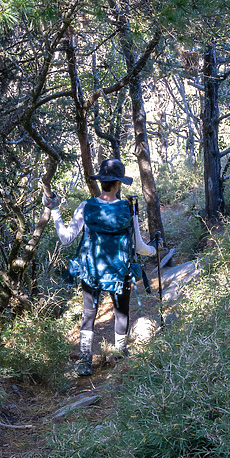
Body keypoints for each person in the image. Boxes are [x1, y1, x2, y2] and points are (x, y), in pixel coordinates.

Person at [43, 158, 160, 376]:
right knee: (121, 313)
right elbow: (140, 247)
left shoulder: (86, 206)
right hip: (119, 274)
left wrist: (55, 209)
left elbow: (66, 238)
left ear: (102, 182)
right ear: (118, 183)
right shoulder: (128, 209)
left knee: (89, 314)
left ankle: (85, 361)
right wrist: (154, 249)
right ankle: (118, 356)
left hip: (90, 272)